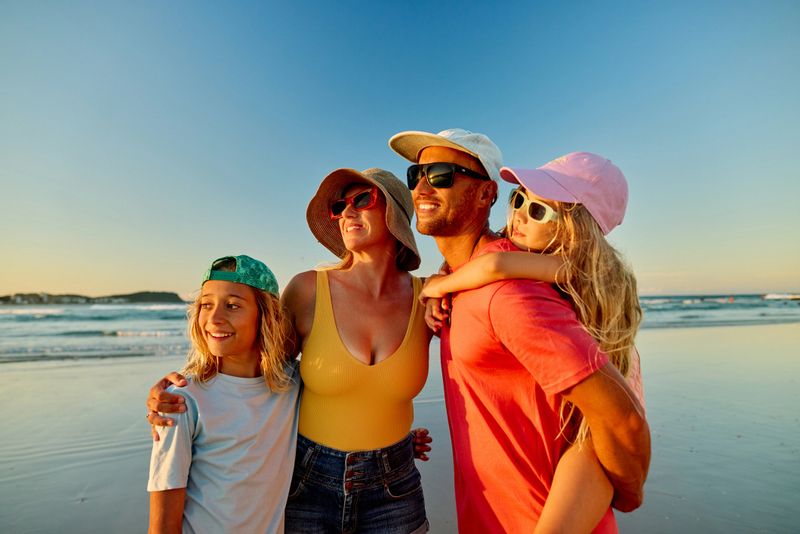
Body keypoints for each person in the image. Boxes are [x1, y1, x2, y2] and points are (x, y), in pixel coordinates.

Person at [388, 129, 650, 532]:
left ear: (485, 194)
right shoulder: (469, 282)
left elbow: (623, 420)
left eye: (440, 174)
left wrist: (628, 491)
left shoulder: (509, 295)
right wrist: (441, 282)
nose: (422, 186)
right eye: (415, 174)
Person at [147, 168, 433, 534]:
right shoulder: (308, 291)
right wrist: (175, 395)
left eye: (363, 199)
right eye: (339, 205)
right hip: (310, 480)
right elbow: (253, 364)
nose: (347, 212)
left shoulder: (430, 297)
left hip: (395, 485)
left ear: (395, 212)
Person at [147, 255, 301, 534]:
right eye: (206, 305)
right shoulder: (181, 401)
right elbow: (163, 522)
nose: (214, 318)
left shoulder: (292, 384)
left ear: (267, 315)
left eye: (232, 306)